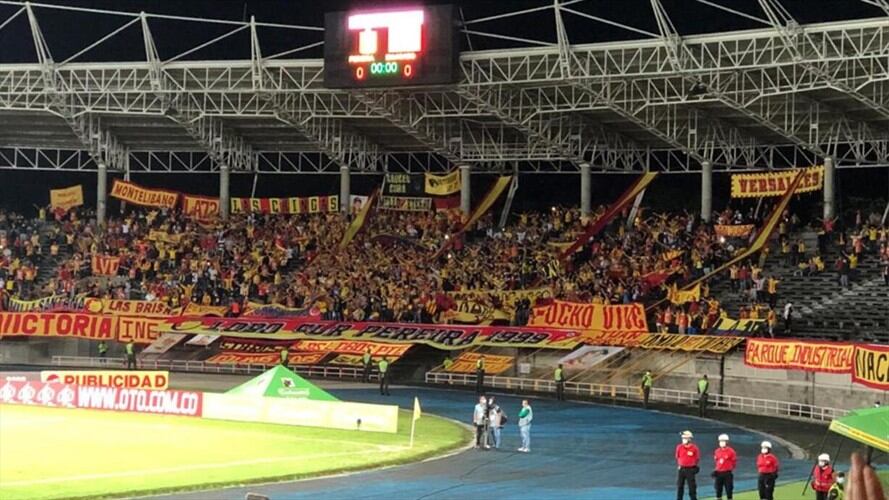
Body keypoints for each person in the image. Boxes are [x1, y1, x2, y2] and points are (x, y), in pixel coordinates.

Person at [676, 430, 700, 500]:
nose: (683, 440)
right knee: (680, 486)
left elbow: (697, 458)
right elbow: (678, 457)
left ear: (689, 439)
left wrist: (693, 466)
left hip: (690, 469)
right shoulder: (679, 447)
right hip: (681, 469)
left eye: (685, 438)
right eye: (682, 438)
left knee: (692, 486)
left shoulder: (694, 448)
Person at [712, 433, 736, 500]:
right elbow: (717, 462)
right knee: (718, 490)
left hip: (727, 473)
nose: (721, 443)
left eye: (723, 441)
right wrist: (717, 469)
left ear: (726, 442)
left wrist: (728, 468)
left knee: (729, 489)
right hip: (719, 473)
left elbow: (734, 462)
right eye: (720, 441)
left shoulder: (731, 451)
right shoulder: (717, 451)